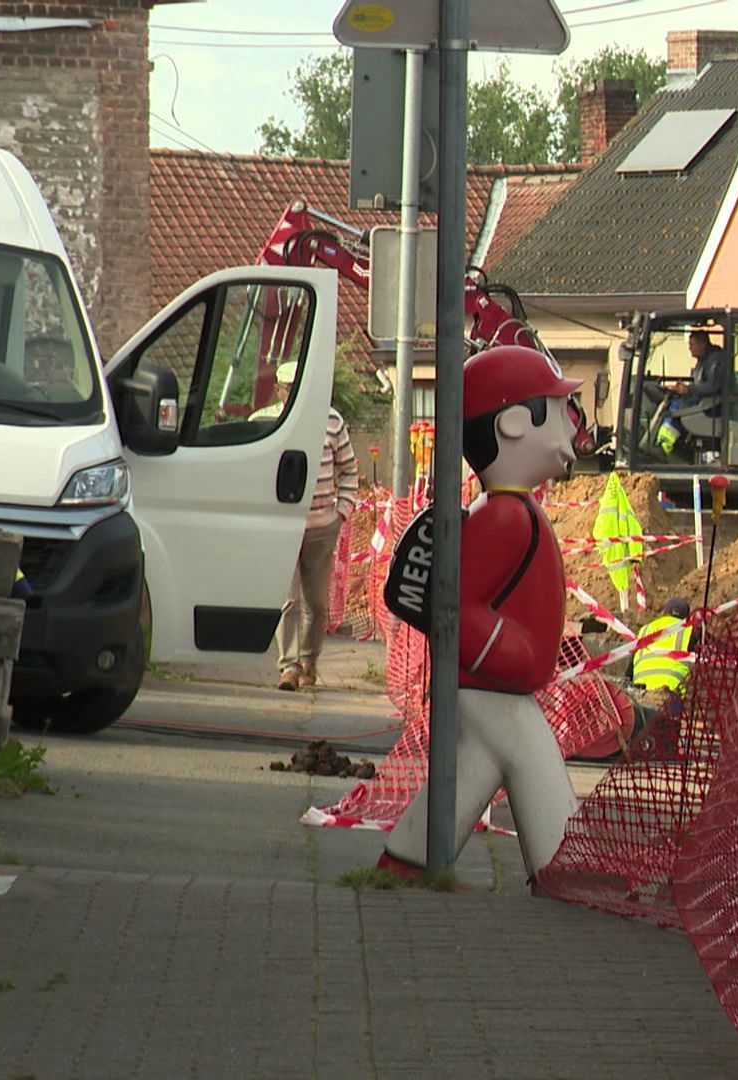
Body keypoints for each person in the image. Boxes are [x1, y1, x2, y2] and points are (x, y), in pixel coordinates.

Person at [381, 345, 585, 886]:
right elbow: (458, 602)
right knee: (528, 756)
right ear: (516, 423)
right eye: (562, 409)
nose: (574, 426)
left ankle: (406, 862)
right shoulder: (504, 519)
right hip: (494, 685)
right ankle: (568, 870)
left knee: (475, 771)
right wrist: (506, 652)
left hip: (492, 685)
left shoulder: (506, 511)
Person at [277, 359, 360, 691]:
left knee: (317, 602)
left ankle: (309, 661)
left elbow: (350, 469)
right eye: (288, 388)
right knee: (288, 600)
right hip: (283, 527)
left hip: (323, 526)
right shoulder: (271, 422)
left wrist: (342, 511)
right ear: (281, 391)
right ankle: (287, 666)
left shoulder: (333, 422)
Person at [655, 330, 729, 456]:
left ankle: (664, 445)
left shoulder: (716, 360)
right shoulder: (703, 360)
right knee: (671, 402)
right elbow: (700, 383)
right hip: (702, 401)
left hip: (712, 407)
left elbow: (713, 386)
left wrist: (689, 390)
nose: (689, 348)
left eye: (692, 344)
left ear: (703, 344)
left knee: (676, 408)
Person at [629, 596, 694, 694]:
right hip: (672, 693)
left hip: (641, 692)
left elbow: (629, 672)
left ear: (665, 613)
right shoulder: (689, 630)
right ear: (687, 617)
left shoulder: (644, 630)